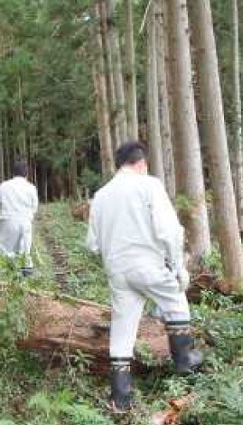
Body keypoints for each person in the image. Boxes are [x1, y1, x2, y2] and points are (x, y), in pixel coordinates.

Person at [86, 141, 202, 411]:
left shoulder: (102, 195)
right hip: (148, 264)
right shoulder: (149, 185)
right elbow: (170, 231)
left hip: (117, 269)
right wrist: (177, 267)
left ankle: (120, 397)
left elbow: (92, 244)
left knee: (123, 330)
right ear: (142, 163)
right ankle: (184, 362)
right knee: (176, 303)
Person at [0, 161, 39, 276]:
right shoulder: (31, 187)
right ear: (27, 174)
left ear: (13, 173)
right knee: (25, 249)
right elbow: (34, 207)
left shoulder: (4, 185)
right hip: (25, 220)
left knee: (7, 249)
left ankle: (10, 275)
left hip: (8, 219)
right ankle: (25, 276)